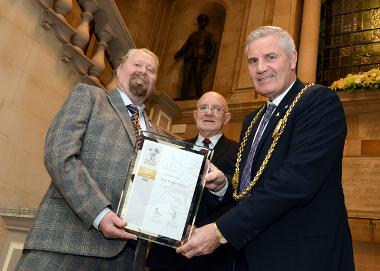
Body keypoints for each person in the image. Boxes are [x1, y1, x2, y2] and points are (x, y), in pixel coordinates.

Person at [177, 26, 355, 271]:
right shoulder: (254, 120)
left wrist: (220, 231)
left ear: (292, 59)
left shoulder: (318, 102)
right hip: (249, 255)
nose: (260, 68)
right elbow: (254, 185)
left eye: (270, 57)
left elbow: (295, 182)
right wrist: (225, 185)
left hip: (301, 255)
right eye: (253, 61)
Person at [16, 48, 162, 271]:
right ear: (119, 69)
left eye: (150, 69)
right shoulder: (90, 96)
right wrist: (99, 213)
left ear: (155, 82)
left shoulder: (161, 136)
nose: (143, 71)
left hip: (127, 260)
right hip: (67, 244)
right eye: (137, 65)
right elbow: (59, 153)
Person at [147, 91, 238, 271]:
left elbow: (240, 200)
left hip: (211, 256)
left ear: (226, 118)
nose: (209, 113)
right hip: (166, 255)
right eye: (203, 107)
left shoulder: (240, 152)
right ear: (195, 115)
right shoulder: (174, 148)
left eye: (216, 109)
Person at [175, 14, 216, 100]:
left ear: (206, 23)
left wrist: (210, 57)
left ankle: (199, 96)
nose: (202, 23)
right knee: (186, 77)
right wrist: (178, 54)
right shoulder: (193, 35)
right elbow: (186, 46)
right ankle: (184, 96)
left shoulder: (209, 35)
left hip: (201, 56)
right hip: (189, 56)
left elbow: (212, 46)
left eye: (204, 21)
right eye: (201, 21)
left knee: (198, 76)